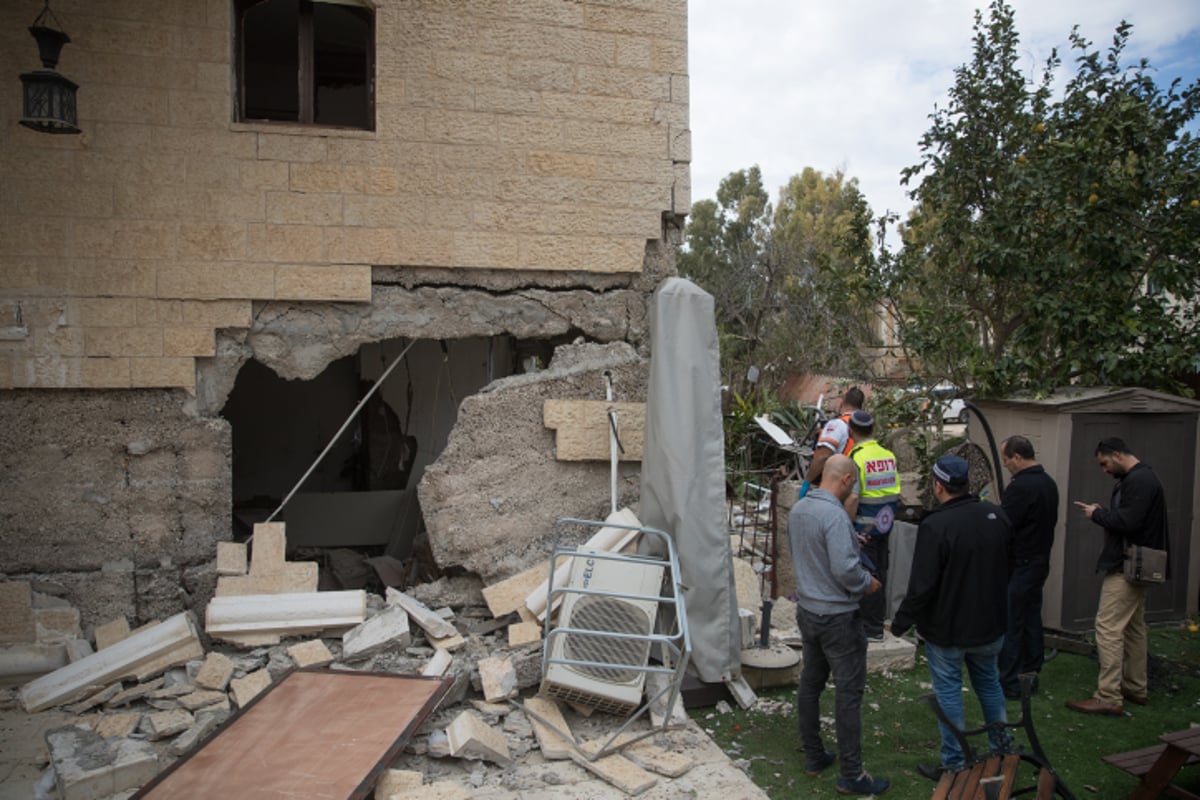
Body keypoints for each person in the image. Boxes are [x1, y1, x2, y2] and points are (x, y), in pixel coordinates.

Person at [891, 454, 1012, 779]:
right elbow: (1010, 566)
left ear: (939, 485)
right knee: (989, 685)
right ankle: (1002, 750)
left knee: (949, 692)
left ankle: (955, 762)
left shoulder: (936, 525)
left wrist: (901, 623)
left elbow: (922, 585)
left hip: (949, 629)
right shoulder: (996, 515)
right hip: (990, 624)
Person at [789, 454, 890, 796]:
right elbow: (846, 571)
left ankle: (814, 755)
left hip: (808, 612)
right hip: (838, 618)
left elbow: (813, 553)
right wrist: (868, 583)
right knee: (848, 695)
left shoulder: (801, 508)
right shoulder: (833, 514)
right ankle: (852, 774)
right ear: (846, 480)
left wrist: (849, 544)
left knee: (810, 684)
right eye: (855, 486)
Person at [1067, 437, 1169, 715]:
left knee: (1108, 628)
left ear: (1117, 455)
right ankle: (1135, 687)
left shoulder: (1139, 481)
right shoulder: (1144, 478)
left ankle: (1108, 696)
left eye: (1104, 463)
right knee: (1134, 628)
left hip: (1127, 566)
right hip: (1139, 565)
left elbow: (1128, 522)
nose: (1104, 470)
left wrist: (1097, 513)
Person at [997, 435, 1059, 699]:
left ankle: (1010, 681)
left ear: (1018, 458)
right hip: (1040, 560)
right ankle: (1031, 672)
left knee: (1012, 621)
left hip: (1021, 563)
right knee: (1032, 617)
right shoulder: (1048, 483)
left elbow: (1005, 524)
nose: (1005, 465)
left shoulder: (1021, 487)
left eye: (1006, 460)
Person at [844, 410, 901, 641]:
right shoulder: (887, 455)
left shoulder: (856, 458)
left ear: (851, 431)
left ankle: (871, 628)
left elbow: (854, 498)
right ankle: (877, 622)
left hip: (863, 528)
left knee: (866, 575)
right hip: (885, 524)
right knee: (882, 571)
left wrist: (844, 526)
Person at [799, 386, 865, 498]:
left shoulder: (837, 425)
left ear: (842, 402)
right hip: (857, 484)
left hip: (837, 486)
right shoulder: (864, 426)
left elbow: (823, 456)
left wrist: (807, 481)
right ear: (861, 406)